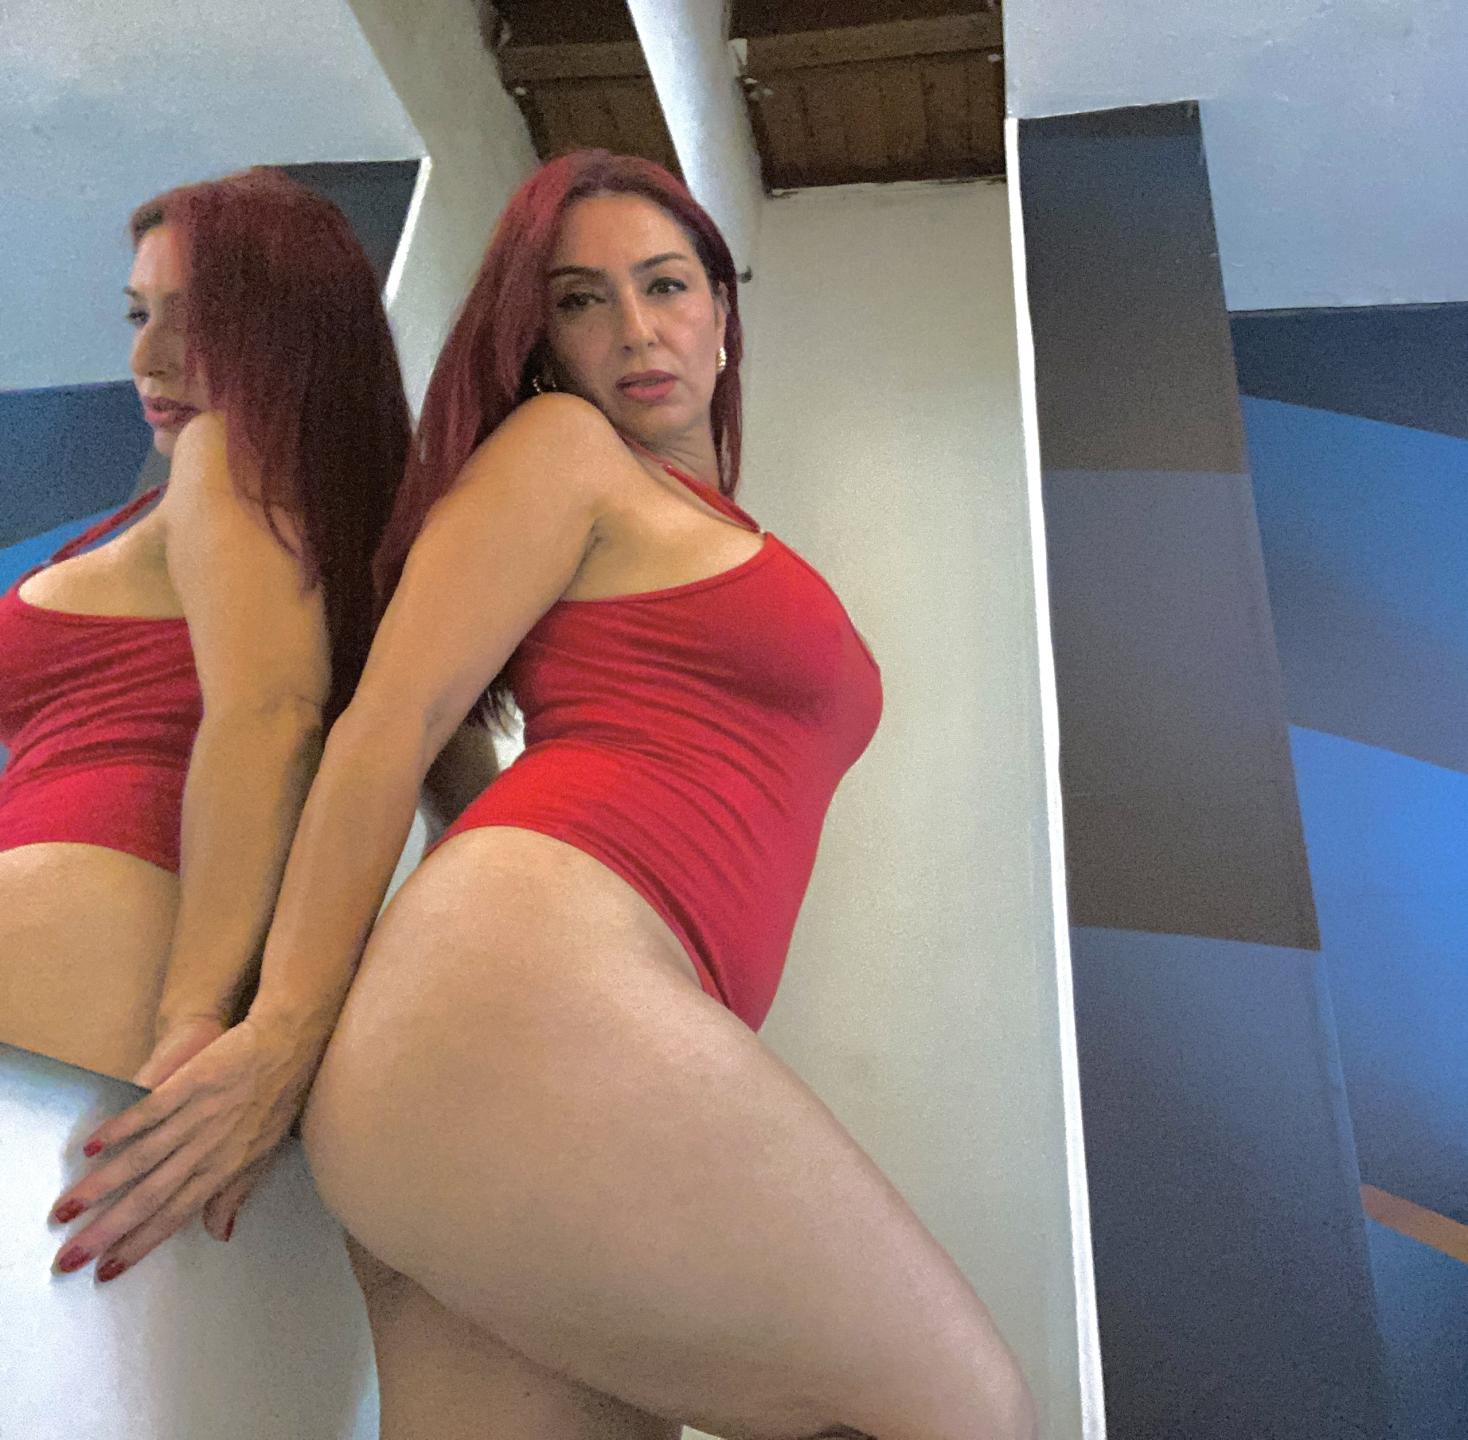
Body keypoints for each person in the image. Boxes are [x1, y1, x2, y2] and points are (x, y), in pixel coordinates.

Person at [51, 151, 1037, 1439]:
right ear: (539, 338)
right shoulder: (562, 449)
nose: (634, 328)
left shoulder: (679, 512)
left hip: (524, 1041)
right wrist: (275, 1031)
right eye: (580, 299)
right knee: (963, 1411)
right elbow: (385, 725)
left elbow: (450, 759)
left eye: (665, 285)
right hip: (523, 994)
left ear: (723, 312)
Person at [0, 167, 420, 1089]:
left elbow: (271, 714)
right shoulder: (350, 518)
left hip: (89, 904)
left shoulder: (220, 455)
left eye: (195, 321)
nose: (148, 358)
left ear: (294, 331)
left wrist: (193, 1015)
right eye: (138, 314)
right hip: (109, 923)